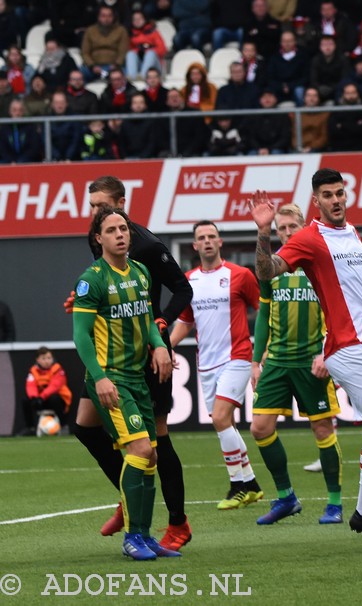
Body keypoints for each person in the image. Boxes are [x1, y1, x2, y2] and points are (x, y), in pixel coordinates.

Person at [249, 168, 362, 551]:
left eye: (340, 193)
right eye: (328, 195)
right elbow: (267, 271)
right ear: (317, 201)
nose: (336, 200)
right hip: (346, 345)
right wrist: (263, 232)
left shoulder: (350, 232)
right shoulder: (309, 237)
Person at [65, 176, 193, 551]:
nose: (95, 215)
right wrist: (83, 302)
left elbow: (182, 289)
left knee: (156, 444)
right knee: (86, 427)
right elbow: (99, 302)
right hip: (111, 364)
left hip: (148, 357)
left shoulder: (147, 250)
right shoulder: (99, 249)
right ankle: (130, 494)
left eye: (101, 206)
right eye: (92, 209)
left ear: (122, 204)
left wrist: (161, 331)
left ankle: (177, 523)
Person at [249, 203, 343, 525]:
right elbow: (263, 314)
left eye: (292, 227)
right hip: (276, 360)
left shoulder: (320, 263)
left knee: (321, 429)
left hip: (311, 361)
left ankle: (334, 503)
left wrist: (329, 353)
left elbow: (339, 311)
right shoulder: (270, 269)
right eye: (281, 228)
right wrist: (254, 362)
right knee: (260, 428)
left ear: (304, 227)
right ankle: (286, 497)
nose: (287, 232)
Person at [170, 221, 264, 511]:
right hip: (206, 364)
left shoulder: (240, 275)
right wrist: (165, 347)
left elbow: (263, 311)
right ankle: (251, 485)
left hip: (237, 357)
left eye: (212, 236)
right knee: (226, 424)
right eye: (201, 237)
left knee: (221, 417)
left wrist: (259, 357)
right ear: (195, 246)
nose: (207, 241)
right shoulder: (189, 281)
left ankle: (237, 485)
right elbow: (185, 321)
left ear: (220, 242)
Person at [19, 346, 72, 436]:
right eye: (43, 358)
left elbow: (55, 386)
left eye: (49, 358)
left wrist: (41, 397)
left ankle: (63, 426)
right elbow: (30, 385)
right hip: (40, 399)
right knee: (25, 400)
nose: (47, 361)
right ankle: (30, 428)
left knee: (54, 398)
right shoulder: (33, 371)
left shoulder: (58, 369)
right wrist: (34, 398)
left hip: (58, 400)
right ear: (37, 360)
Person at [81, 5, 129, 82]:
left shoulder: (121, 31)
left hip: (114, 66)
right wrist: (92, 66)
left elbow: (123, 52)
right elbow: (85, 52)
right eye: (103, 16)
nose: (106, 19)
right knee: (79, 75)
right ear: (98, 17)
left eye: (109, 16)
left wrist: (116, 65)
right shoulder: (90, 30)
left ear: (113, 17)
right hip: (93, 66)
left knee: (125, 74)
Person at [125, 9, 167, 81]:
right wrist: (139, 50)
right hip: (140, 63)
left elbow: (162, 49)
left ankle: (144, 76)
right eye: (135, 19)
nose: (137, 21)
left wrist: (147, 50)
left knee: (150, 53)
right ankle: (131, 78)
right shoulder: (131, 34)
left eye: (139, 18)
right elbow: (129, 49)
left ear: (145, 19)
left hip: (155, 65)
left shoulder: (153, 32)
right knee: (130, 54)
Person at [0, 99, 41, 164]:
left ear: (23, 112)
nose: (17, 113)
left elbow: (34, 149)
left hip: (27, 161)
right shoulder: (4, 129)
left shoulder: (31, 127)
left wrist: (20, 161)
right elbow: (2, 149)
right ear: (10, 112)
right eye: (14, 110)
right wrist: (11, 161)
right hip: (8, 162)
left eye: (20, 110)